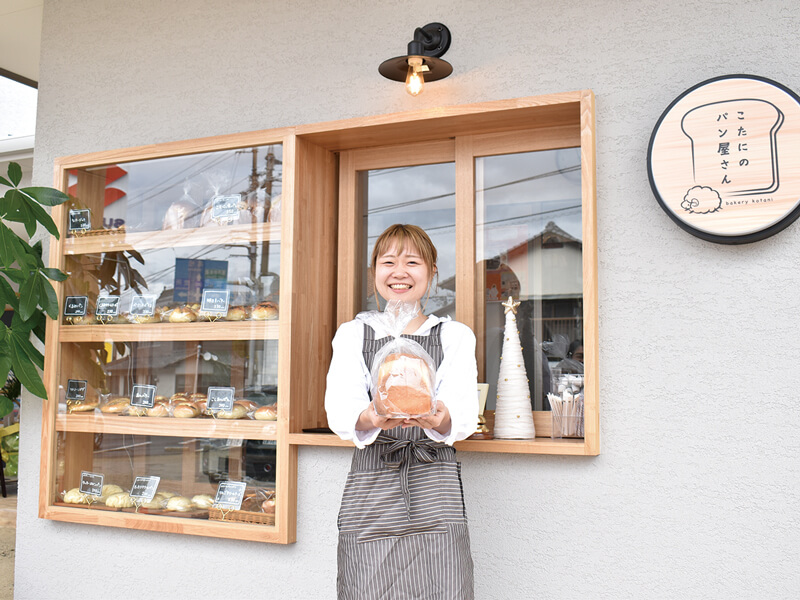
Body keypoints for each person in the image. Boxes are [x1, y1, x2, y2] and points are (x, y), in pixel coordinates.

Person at [325, 224, 477, 600]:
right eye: (388, 261)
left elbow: (463, 411)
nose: (399, 272)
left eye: (413, 261)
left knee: (443, 587)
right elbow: (340, 408)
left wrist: (438, 418)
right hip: (373, 479)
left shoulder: (453, 335)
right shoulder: (353, 334)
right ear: (374, 271)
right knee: (366, 588)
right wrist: (371, 417)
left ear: (432, 272)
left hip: (433, 479)